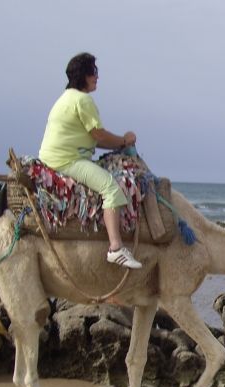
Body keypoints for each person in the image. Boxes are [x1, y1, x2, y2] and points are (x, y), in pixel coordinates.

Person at [39, 52, 142, 269]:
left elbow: (95, 140)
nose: (97, 77)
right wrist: (125, 139)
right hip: (67, 160)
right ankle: (116, 248)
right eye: (94, 72)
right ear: (84, 75)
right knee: (111, 187)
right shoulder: (83, 100)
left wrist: (120, 143)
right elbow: (100, 135)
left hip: (57, 157)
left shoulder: (66, 97)